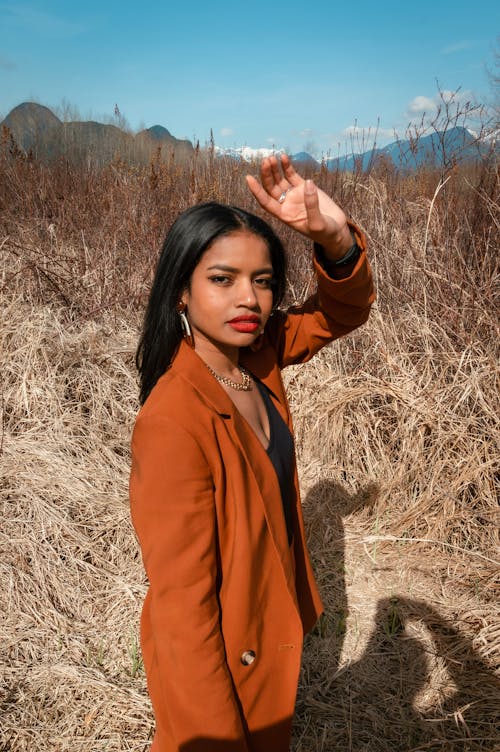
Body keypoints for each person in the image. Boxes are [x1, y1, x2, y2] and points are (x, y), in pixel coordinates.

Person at [130, 154, 375, 752]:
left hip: (266, 635)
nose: (249, 298)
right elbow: (182, 611)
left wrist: (335, 237)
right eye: (222, 278)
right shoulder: (172, 421)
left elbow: (343, 310)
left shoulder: (255, 356)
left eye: (263, 280)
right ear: (180, 293)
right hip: (221, 669)